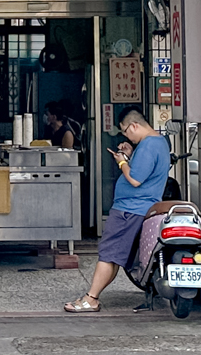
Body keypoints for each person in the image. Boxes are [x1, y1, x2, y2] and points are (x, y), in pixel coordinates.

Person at [63, 108, 170, 313]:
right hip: (138, 207)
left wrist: (121, 161)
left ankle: (91, 298)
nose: (126, 136)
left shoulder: (148, 145)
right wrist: (130, 156)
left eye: (125, 131)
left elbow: (135, 179)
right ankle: (92, 296)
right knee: (113, 255)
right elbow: (144, 171)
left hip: (130, 208)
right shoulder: (159, 142)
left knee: (109, 254)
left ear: (134, 126)